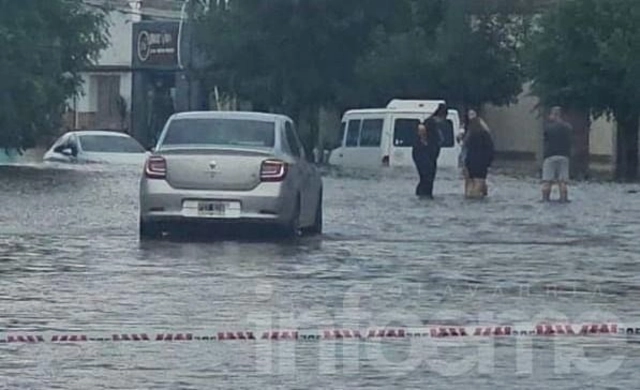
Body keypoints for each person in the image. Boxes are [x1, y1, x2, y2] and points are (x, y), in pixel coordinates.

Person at [541, 106, 572, 202]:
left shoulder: (548, 127)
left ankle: (545, 200)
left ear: (554, 115)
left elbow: (545, 140)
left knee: (547, 181)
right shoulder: (568, 127)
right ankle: (564, 199)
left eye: (551, 114)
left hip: (550, 156)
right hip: (564, 156)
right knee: (563, 182)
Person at [463, 109, 495, 198]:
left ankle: (469, 196)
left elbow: (465, 147)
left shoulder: (470, 134)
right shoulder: (485, 134)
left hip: (469, 161)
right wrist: (489, 161)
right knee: (479, 182)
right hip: (481, 162)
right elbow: (490, 149)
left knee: (470, 182)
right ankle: (475, 199)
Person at [412, 122, 439, 198]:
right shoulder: (417, 144)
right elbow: (415, 156)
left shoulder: (432, 142)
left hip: (431, 166)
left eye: (423, 130)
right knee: (424, 182)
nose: (421, 133)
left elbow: (435, 152)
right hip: (422, 167)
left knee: (429, 183)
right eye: (419, 131)